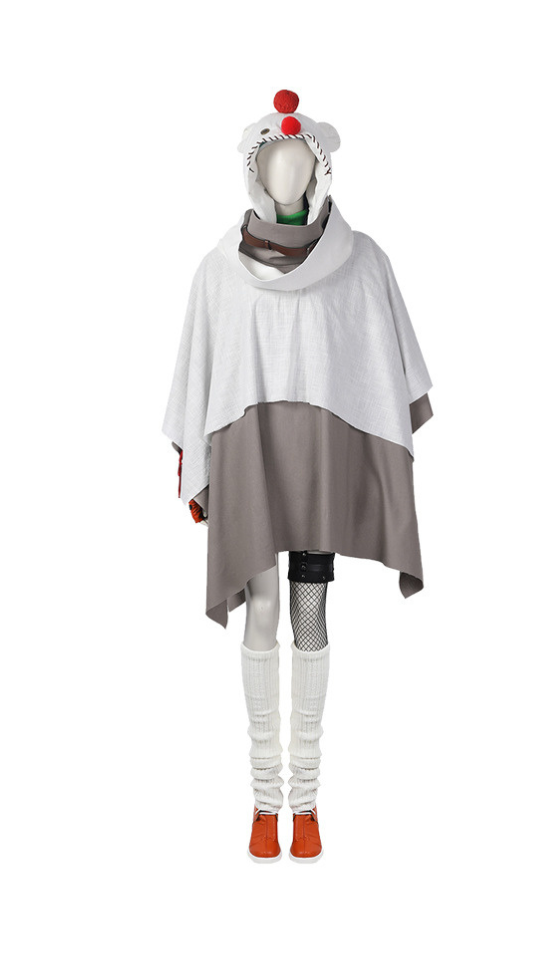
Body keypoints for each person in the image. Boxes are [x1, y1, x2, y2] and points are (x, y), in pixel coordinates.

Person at [162, 89, 434, 862]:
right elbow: (201, 371)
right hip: (251, 453)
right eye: (273, 160)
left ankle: (306, 803)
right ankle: (262, 801)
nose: (287, 173)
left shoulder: (362, 260)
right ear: (254, 171)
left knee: (309, 614)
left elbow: (380, 368)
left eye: (299, 159)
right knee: (262, 607)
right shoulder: (219, 269)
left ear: (320, 168)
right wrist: (193, 461)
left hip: (319, 456)